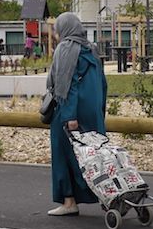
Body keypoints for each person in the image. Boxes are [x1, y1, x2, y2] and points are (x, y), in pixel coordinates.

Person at [45, 12, 107, 216]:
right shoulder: (92, 49)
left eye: (57, 29)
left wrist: (69, 116)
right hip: (93, 111)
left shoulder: (65, 49)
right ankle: (108, 194)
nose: (56, 34)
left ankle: (69, 201)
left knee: (64, 154)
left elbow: (66, 84)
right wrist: (100, 111)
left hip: (70, 112)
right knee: (95, 156)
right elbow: (102, 83)